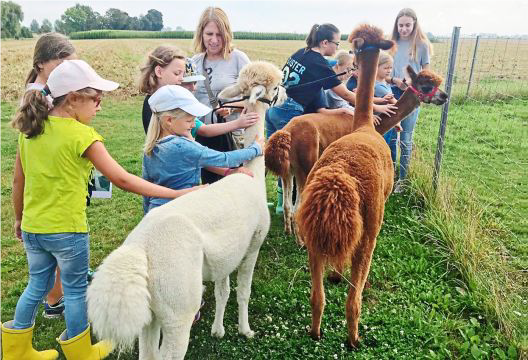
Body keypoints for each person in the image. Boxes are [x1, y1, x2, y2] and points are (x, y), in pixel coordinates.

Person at [4, 60, 203, 360]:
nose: (99, 106)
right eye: (95, 99)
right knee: (73, 291)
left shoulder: (30, 131)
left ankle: (16, 350)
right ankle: (81, 352)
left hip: (34, 228)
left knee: (36, 286)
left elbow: (18, 180)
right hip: (67, 231)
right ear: (73, 100)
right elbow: (122, 178)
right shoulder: (83, 136)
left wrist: (19, 218)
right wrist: (177, 193)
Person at [266, 23, 397, 213]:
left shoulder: (301, 53)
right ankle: (296, 209)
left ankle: (281, 204)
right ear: (325, 42)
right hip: (289, 109)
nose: (337, 48)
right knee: (294, 159)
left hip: (273, 108)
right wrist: (376, 107)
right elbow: (345, 94)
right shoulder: (319, 63)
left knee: (282, 159)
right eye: (336, 43)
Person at [142, 85, 264, 213]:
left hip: (155, 210)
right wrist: (255, 149)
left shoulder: (151, 147)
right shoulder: (181, 146)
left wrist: (147, 213)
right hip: (180, 209)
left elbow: (147, 186)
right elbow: (225, 159)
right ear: (169, 120)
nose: (194, 125)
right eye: (189, 120)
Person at [23, 32, 76, 320]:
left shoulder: (46, 90)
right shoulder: (38, 96)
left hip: (55, 177)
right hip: (52, 180)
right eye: (62, 64)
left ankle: (55, 296)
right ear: (42, 63)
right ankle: (55, 300)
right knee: (58, 245)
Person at [139, 50, 257, 179]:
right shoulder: (165, 111)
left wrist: (226, 172)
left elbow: (197, 153)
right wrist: (255, 148)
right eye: (178, 75)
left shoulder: (164, 108)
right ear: (159, 72)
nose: (192, 87)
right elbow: (206, 153)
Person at [191, 6, 253, 183]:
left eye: (219, 34)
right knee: (207, 187)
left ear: (227, 33)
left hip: (232, 137)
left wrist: (232, 107)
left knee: (233, 185)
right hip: (200, 137)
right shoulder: (194, 61)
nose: (214, 40)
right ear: (201, 33)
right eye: (209, 34)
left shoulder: (238, 59)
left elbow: (257, 99)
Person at [386, 8, 433, 193]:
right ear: (396, 26)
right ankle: (389, 174)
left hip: (412, 96)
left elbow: (426, 74)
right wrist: (395, 80)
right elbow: (384, 71)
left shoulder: (422, 45)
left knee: (405, 137)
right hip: (392, 93)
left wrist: (413, 81)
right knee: (389, 136)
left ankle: (403, 179)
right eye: (401, 25)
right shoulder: (391, 44)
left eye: (407, 25)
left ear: (414, 24)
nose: (404, 29)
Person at [374, 51, 402, 145]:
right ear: (376, 68)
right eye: (385, 68)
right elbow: (396, 103)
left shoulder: (384, 83)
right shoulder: (378, 86)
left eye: (390, 68)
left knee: (391, 145)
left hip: (387, 123)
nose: (389, 71)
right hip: (381, 125)